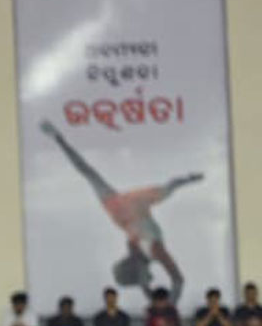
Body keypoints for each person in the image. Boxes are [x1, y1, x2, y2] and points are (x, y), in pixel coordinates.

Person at [39, 121, 198, 303]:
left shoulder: (152, 252)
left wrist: (163, 303)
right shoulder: (146, 254)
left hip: (126, 208)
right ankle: (58, 138)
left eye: (143, 277)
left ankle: (58, 138)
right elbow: (175, 280)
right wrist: (165, 304)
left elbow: (176, 280)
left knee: (89, 173)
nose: (146, 279)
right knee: (89, 173)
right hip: (126, 209)